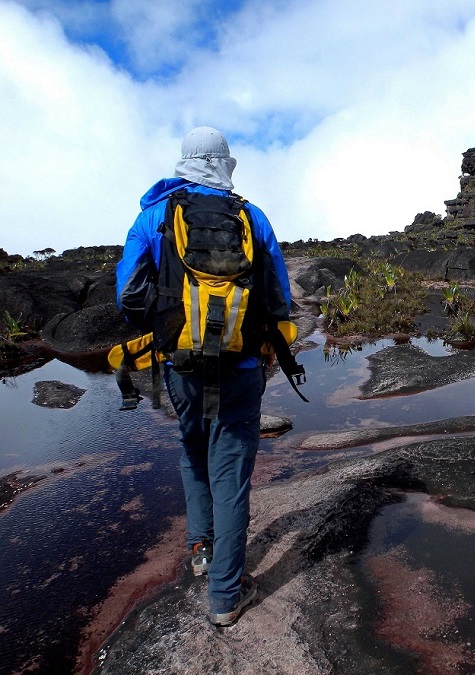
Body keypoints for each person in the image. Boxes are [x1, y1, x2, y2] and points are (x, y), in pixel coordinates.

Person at [116, 126, 292, 626]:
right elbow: (280, 301)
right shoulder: (251, 217)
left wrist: (168, 328)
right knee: (231, 477)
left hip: (180, 366)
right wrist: (267, 350)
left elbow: (128, 296)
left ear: (186, 162)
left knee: (193, 450)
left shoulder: (155, 216)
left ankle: (201, 548)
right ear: (225, 164)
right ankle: (225, 597)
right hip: (241, 368)